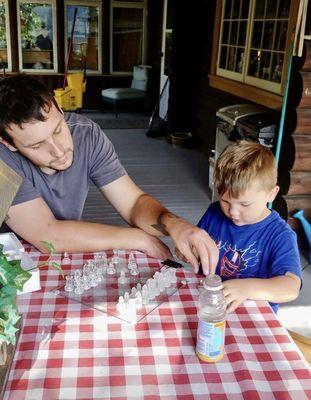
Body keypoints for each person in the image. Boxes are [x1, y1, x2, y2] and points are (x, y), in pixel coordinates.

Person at [0, 75, 218, 274]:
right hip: (11, 264)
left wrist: (175, 225)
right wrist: (137, 238)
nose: (59, 151)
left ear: (60, 110)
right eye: (37, 145)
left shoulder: (86, 134)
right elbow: (48, 236)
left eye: (58, 130)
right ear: (7, 144)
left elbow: (133, 204)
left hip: (64, 254)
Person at [197, 141, 301, 313]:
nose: (233, 212)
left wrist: (247, 288)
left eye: (244, 204)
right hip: (211, 307)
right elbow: (198, 244)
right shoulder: (214, 213)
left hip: (252, 317)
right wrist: (190, 251)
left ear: (271, 194)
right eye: (225, 201)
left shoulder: (280, 235)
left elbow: (291, 287)